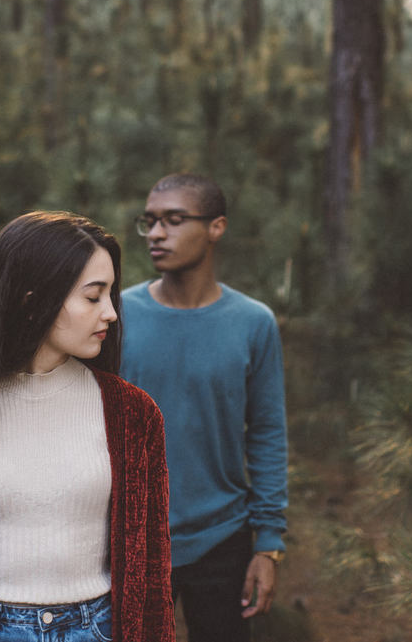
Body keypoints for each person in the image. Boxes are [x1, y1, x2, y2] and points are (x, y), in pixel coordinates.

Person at [0, 211, 175, 642]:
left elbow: (151, 571)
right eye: (93, 297)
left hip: (97, 630)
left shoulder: (133, 416)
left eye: (111, 295)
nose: (112, 313)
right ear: (32, 300)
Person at [120, 173, 289, 642]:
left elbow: (267, 433)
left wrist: (269, 544)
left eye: (173, 220)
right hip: (131, 538)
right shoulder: (116, 314)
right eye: (149, 222)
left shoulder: (253, 324)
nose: (156, 234)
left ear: (216, 227)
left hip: (222, 539)